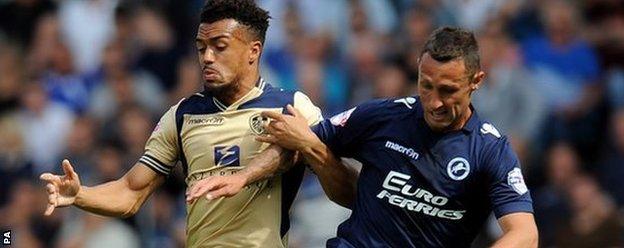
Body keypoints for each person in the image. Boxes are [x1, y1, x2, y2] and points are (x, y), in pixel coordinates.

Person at [188, 27, 539, 247]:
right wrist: (244, 175)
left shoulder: (490, 150)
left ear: (476, 81)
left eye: (448, 91)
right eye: (425, 85)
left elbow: (524, 234)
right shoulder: (382, 116)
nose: (433, 101)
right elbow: (302, 140)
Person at [39, 0, 324, 247]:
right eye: (201, 48)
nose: (207, 57)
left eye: (219, 47)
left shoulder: (292, 106)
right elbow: (131, 191)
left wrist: (308, 144)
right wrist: (79, 194)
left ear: (253, 51)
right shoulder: (182, 115)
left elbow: (342, 182)